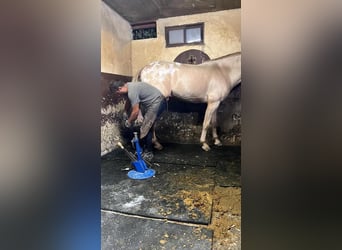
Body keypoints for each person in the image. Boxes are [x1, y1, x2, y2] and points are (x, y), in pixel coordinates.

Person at [110, 80, 166, 161]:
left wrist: (128, 122)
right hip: (155, 101)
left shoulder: (132, 91)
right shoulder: (129, 86)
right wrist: (125, 111)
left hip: (157, 102)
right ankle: (146, 147)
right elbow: (129, 101)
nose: (119, 95)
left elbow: (135, 112)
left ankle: (148, 152)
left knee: (145, 127)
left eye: (118, 93)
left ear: (119, 88)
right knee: (147, 125)